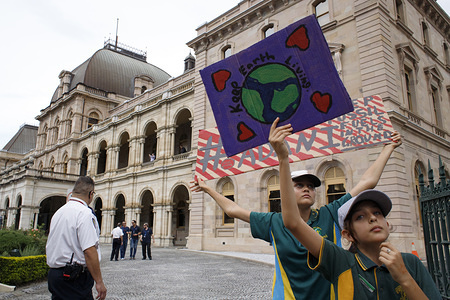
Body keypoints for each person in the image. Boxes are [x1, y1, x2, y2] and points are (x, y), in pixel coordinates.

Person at [191, 118, 402, 299]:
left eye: (310, 186)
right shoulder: (274, 222)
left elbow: (367, 182)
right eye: (299, 185)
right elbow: (233, 210)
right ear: (286, 190)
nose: (307, 189)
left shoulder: (330, 214)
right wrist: (208, 189)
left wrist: (389, 147)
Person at [271, 119, 441, 299]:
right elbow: (293, 222)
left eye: (377, 213)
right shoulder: (340, 261)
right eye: (360, 217)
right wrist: (283, 158)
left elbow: (368, 182)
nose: (373, 218)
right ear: (347, 235)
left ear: (387, 223)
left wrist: (405, 279)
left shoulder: (410, 263)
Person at [46, 176, 107, 300]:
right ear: (91, 194)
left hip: (55, 275)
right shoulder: (84, 213)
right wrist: (99, 281)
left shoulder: (59, 212)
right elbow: (89, 251)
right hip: (74, 277)